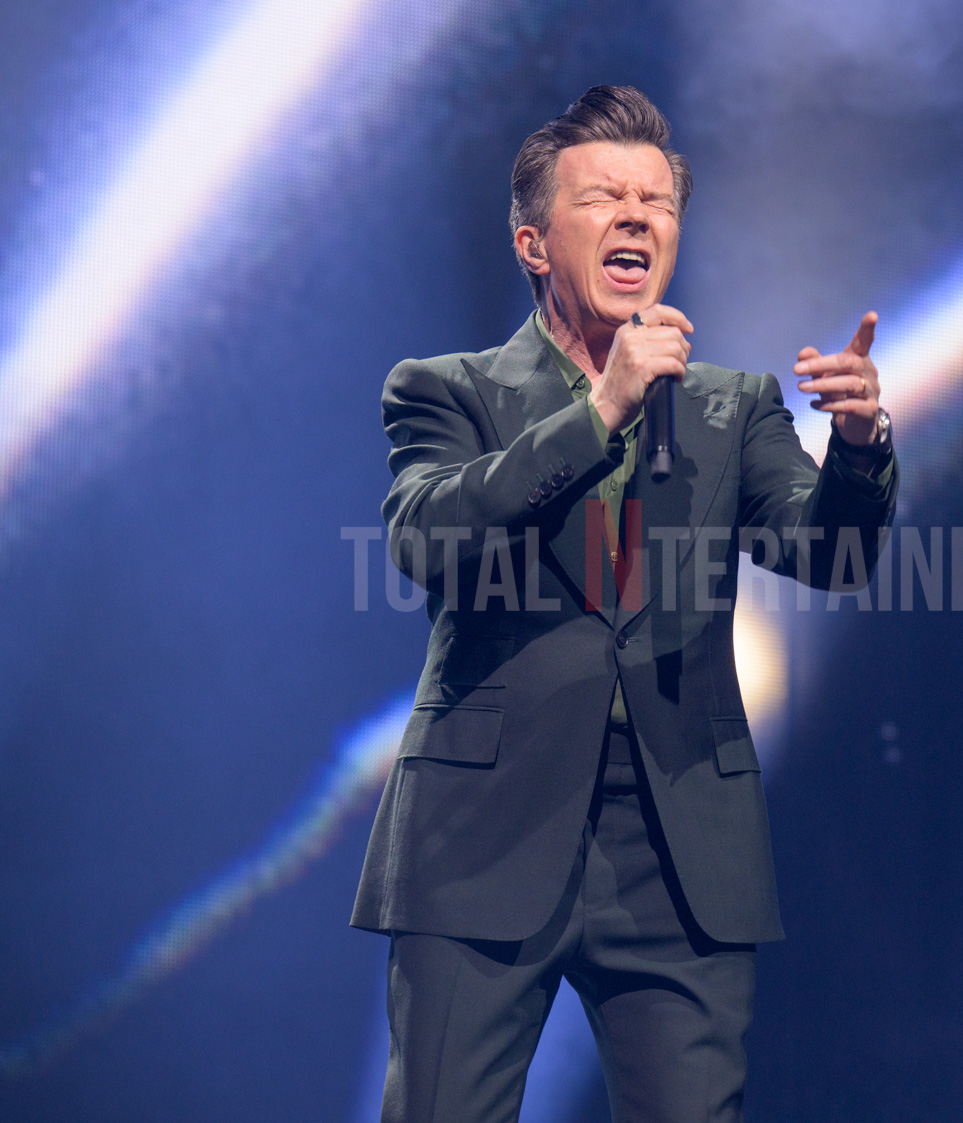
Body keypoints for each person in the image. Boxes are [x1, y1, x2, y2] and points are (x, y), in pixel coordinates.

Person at [350, 85, 897, 1122]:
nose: (637, 216)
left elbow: (828, 554)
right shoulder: (446, 390)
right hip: (484, 831)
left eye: (658, 201)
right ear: (533, 243)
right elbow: (428, 537)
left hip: (677, 839)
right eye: (605, 197)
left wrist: (861, 449)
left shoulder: (731, 407)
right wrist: (600, 410)